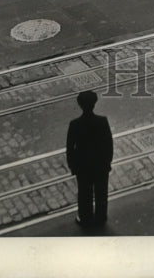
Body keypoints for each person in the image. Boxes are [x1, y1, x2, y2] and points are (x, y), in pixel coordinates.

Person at [66, 90, 114, 230]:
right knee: (101, 193)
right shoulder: (102, 121)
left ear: (80, 105)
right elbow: (108, 144)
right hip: (100, 165)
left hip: (83, 166)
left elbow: (70, 148)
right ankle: (100, 217)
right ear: (94, 104)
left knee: (84, 194)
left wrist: (73, 166)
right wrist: (107, 163)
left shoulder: (75, 124)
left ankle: (85, 218)